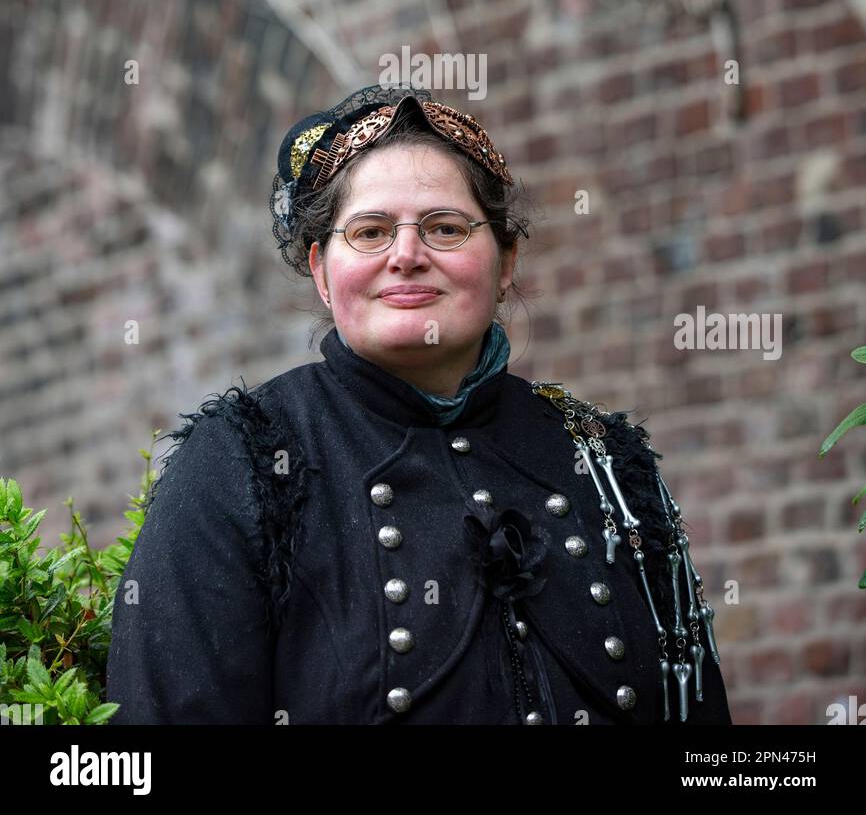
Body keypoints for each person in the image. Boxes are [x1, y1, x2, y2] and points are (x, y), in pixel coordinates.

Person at [106, 83, 732, 725]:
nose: (407, 255)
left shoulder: (604, 460)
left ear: (506, 259)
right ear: (322, 271)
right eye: (371, 231)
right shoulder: (245, 461)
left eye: (445, 228)